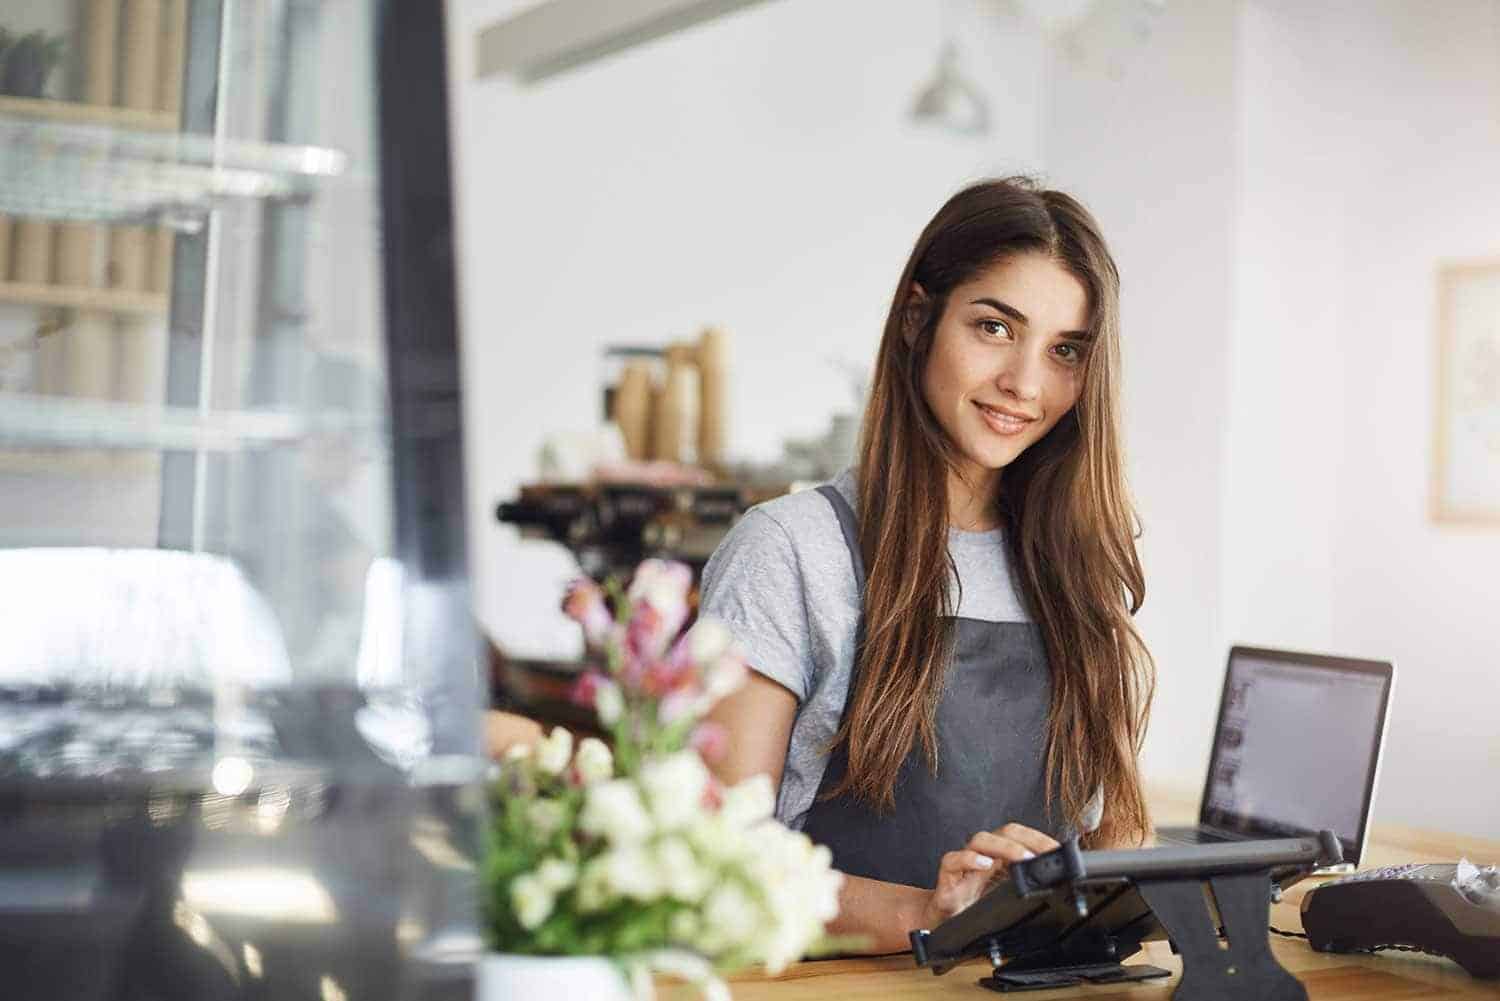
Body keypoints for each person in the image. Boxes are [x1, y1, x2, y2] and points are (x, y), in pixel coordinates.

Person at [698, 177, 1155, 954]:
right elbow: (717, 863)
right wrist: (941, 910)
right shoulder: (790, 550)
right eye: (994, 327)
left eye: (1065, 350)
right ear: (918, 319)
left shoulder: (1075, 567)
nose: (1026, 383)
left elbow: (1115, 830)